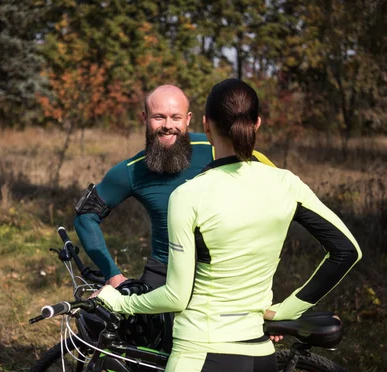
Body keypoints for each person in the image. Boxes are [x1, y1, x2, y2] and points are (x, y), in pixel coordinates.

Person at [97, 78, 362, 372]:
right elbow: (347, 251)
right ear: (257, 124)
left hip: (202, 359)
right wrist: (287, 310)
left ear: (205, 125)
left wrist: (121, 302)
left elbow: (176, 297)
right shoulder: (285, 183)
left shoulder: (189, 195)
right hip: (261, 358)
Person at [73, 84, 275, 291]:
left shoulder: (215, 148)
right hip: (164, 272)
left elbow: (277, 195)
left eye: (176, 117)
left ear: (188, 119)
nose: (168, 125)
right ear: (145, 118)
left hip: (222, 273)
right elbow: (85, 216)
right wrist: (113, 275)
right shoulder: (131, 171)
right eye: (159, 117)